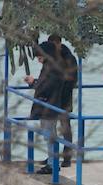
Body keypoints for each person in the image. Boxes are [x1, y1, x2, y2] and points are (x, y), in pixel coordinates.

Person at [24, 41, 65, 175]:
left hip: (50, 106)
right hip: (49, 106)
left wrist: (33, 82)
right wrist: (35, 83)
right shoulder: (51, 66)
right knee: (49, 135)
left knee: (50, 135)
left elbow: (46, 86)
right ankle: (52, 162)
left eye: (39, 56)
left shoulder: (52, 68)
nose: (38, 59)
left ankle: (53, 164)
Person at [49, 34, 77, 168]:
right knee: (51, 127)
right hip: (53, 97)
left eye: (55, 45)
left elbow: (72, 79)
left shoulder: (69, 58)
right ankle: (52, 156)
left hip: (65, 97)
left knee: (65, 127)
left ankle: (67, 157)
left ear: (59, 43)